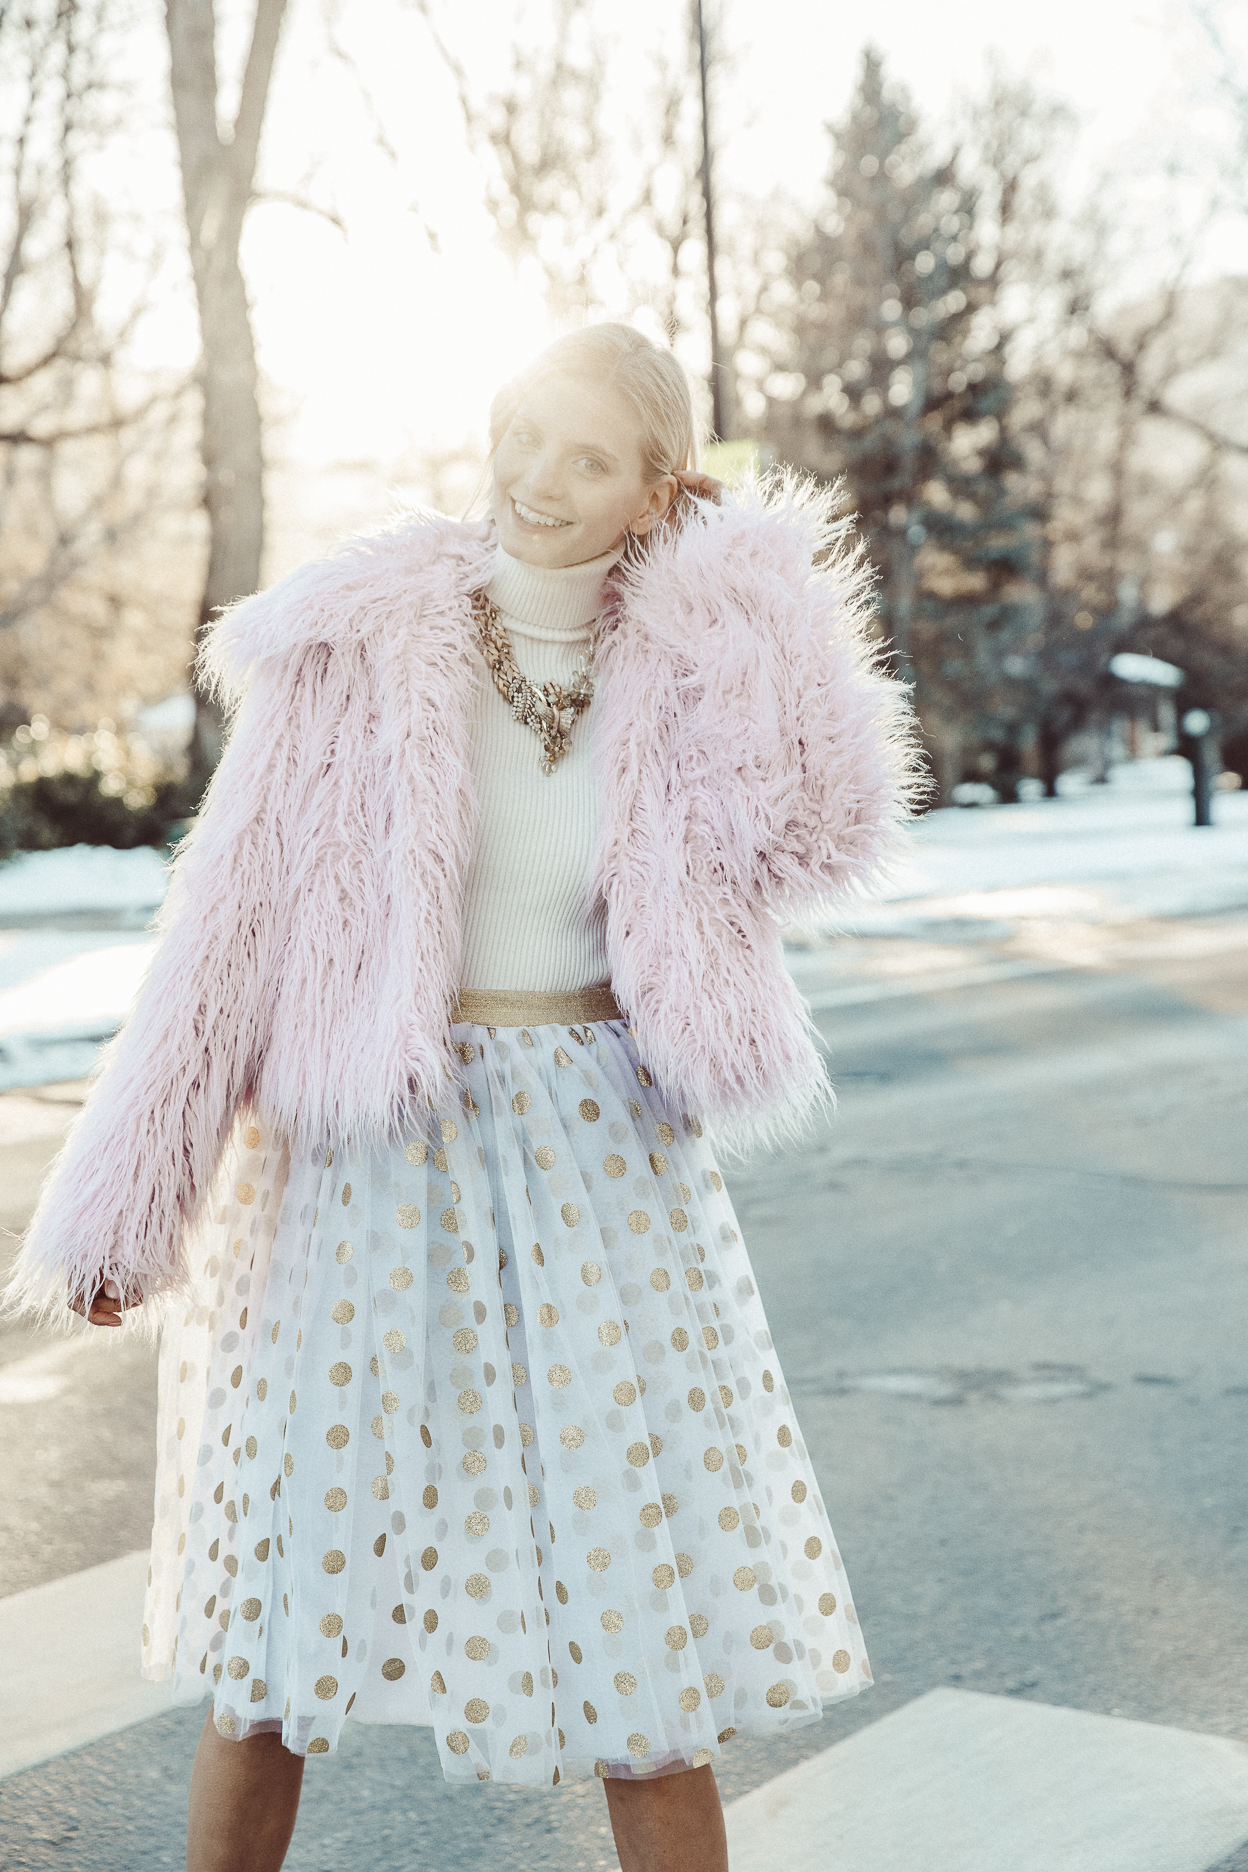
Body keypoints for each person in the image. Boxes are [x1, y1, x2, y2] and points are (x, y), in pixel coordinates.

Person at [10, 322, 916, 1872]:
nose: (539, 479)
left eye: (589, 457)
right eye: (525, 434)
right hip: (370, 1153)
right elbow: (221, 940)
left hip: (600, 1160)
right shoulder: (358, 651)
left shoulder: (690, 665)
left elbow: (820, 833)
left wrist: (756, 594)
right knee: (285, 1626)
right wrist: (126, 1206)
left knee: (642, 1633)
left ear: (657, 492)